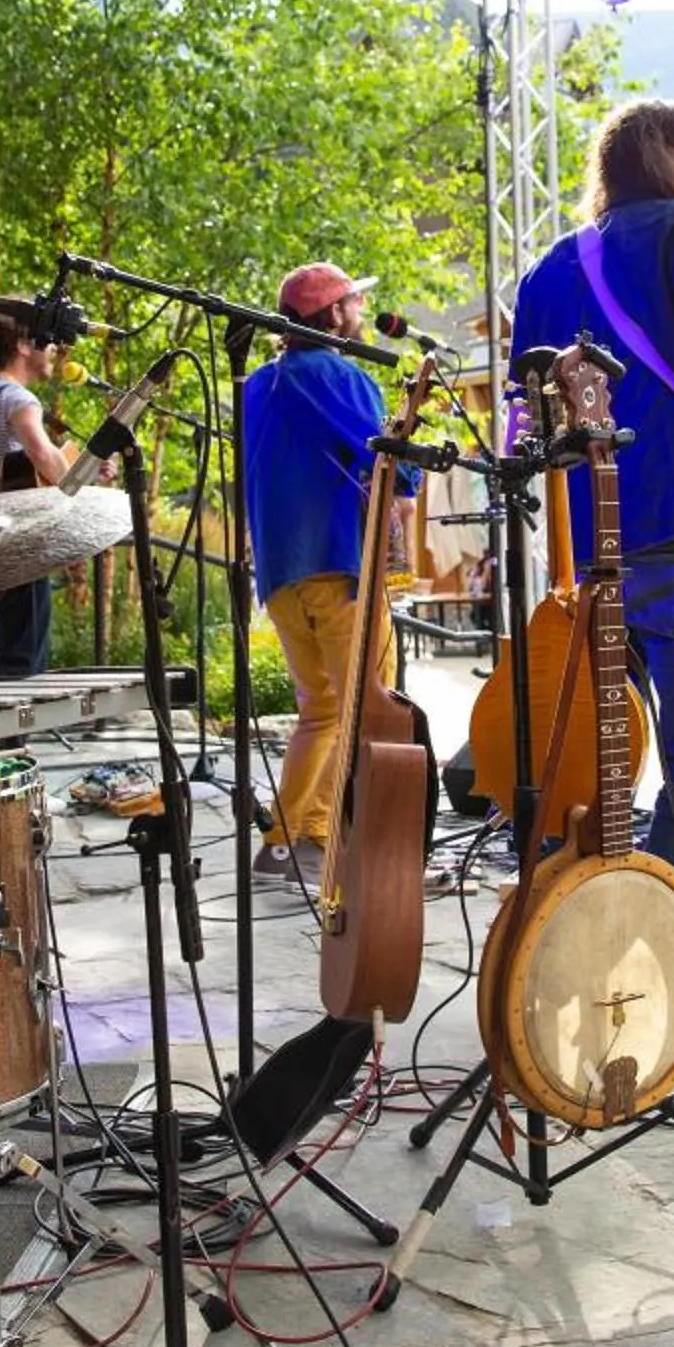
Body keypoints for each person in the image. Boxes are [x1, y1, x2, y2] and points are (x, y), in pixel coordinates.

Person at [511, 100, 674, 1038]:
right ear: (665, 157)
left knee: (591, 779)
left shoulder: (545, 267)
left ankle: (573, 959)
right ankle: (657, 981)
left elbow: (525, 426)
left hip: (595, 564)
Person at [240, 262, 403, 884]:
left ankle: (283, 846)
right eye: (353, 303)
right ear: (332, 316)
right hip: (338, 568)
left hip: (281, 573)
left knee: (322, 711)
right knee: (368, 707)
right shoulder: (344, 374)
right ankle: (314, 839)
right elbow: (387, 460)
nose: (361, 311)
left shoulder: (256, 384)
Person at [0, 313, 73, 679]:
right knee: (24, 663)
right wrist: (80, 492)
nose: (52, 348)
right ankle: (19, 739)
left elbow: (14, 465)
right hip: (18, 545)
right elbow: (41, 454)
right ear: (22, 345)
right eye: (45, 340)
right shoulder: (16, 397)